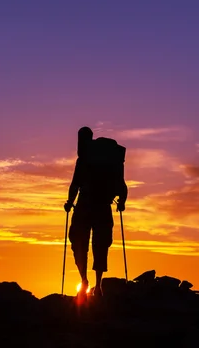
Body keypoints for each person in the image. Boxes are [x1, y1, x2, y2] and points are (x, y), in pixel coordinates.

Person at [64, 126, 128, 297]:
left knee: (78, 243)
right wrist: (122, 201)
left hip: (84, 204)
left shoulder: (84, 158)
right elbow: (121, 184)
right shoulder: (112, 159)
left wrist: (70, 202)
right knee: (100, 245)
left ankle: (84, 281)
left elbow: (75, 184)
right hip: (103, 206)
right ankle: (98, 286)